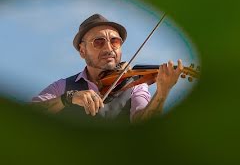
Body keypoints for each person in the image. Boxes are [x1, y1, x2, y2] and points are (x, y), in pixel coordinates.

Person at [31, 13, 183, 123]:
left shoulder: (136, 85)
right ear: (82, 51)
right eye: (99, 42)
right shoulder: (62, 86)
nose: (109, 48)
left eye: (115, 41)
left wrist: (163, 92)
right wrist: (68, 98)